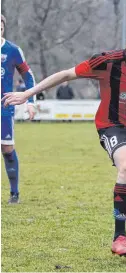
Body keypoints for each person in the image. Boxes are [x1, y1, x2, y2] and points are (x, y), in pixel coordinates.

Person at [3, 24, 126, 257]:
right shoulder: (107, 62)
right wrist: (27, 94)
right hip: (112, 127)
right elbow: (66, 74)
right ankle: (120, 238)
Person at [1, 14, 36, 204]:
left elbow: (28, 77)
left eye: (1, 28)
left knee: (7, 148)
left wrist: (30, 101)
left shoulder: (12, 50)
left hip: (3, 107)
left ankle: (14, 193)